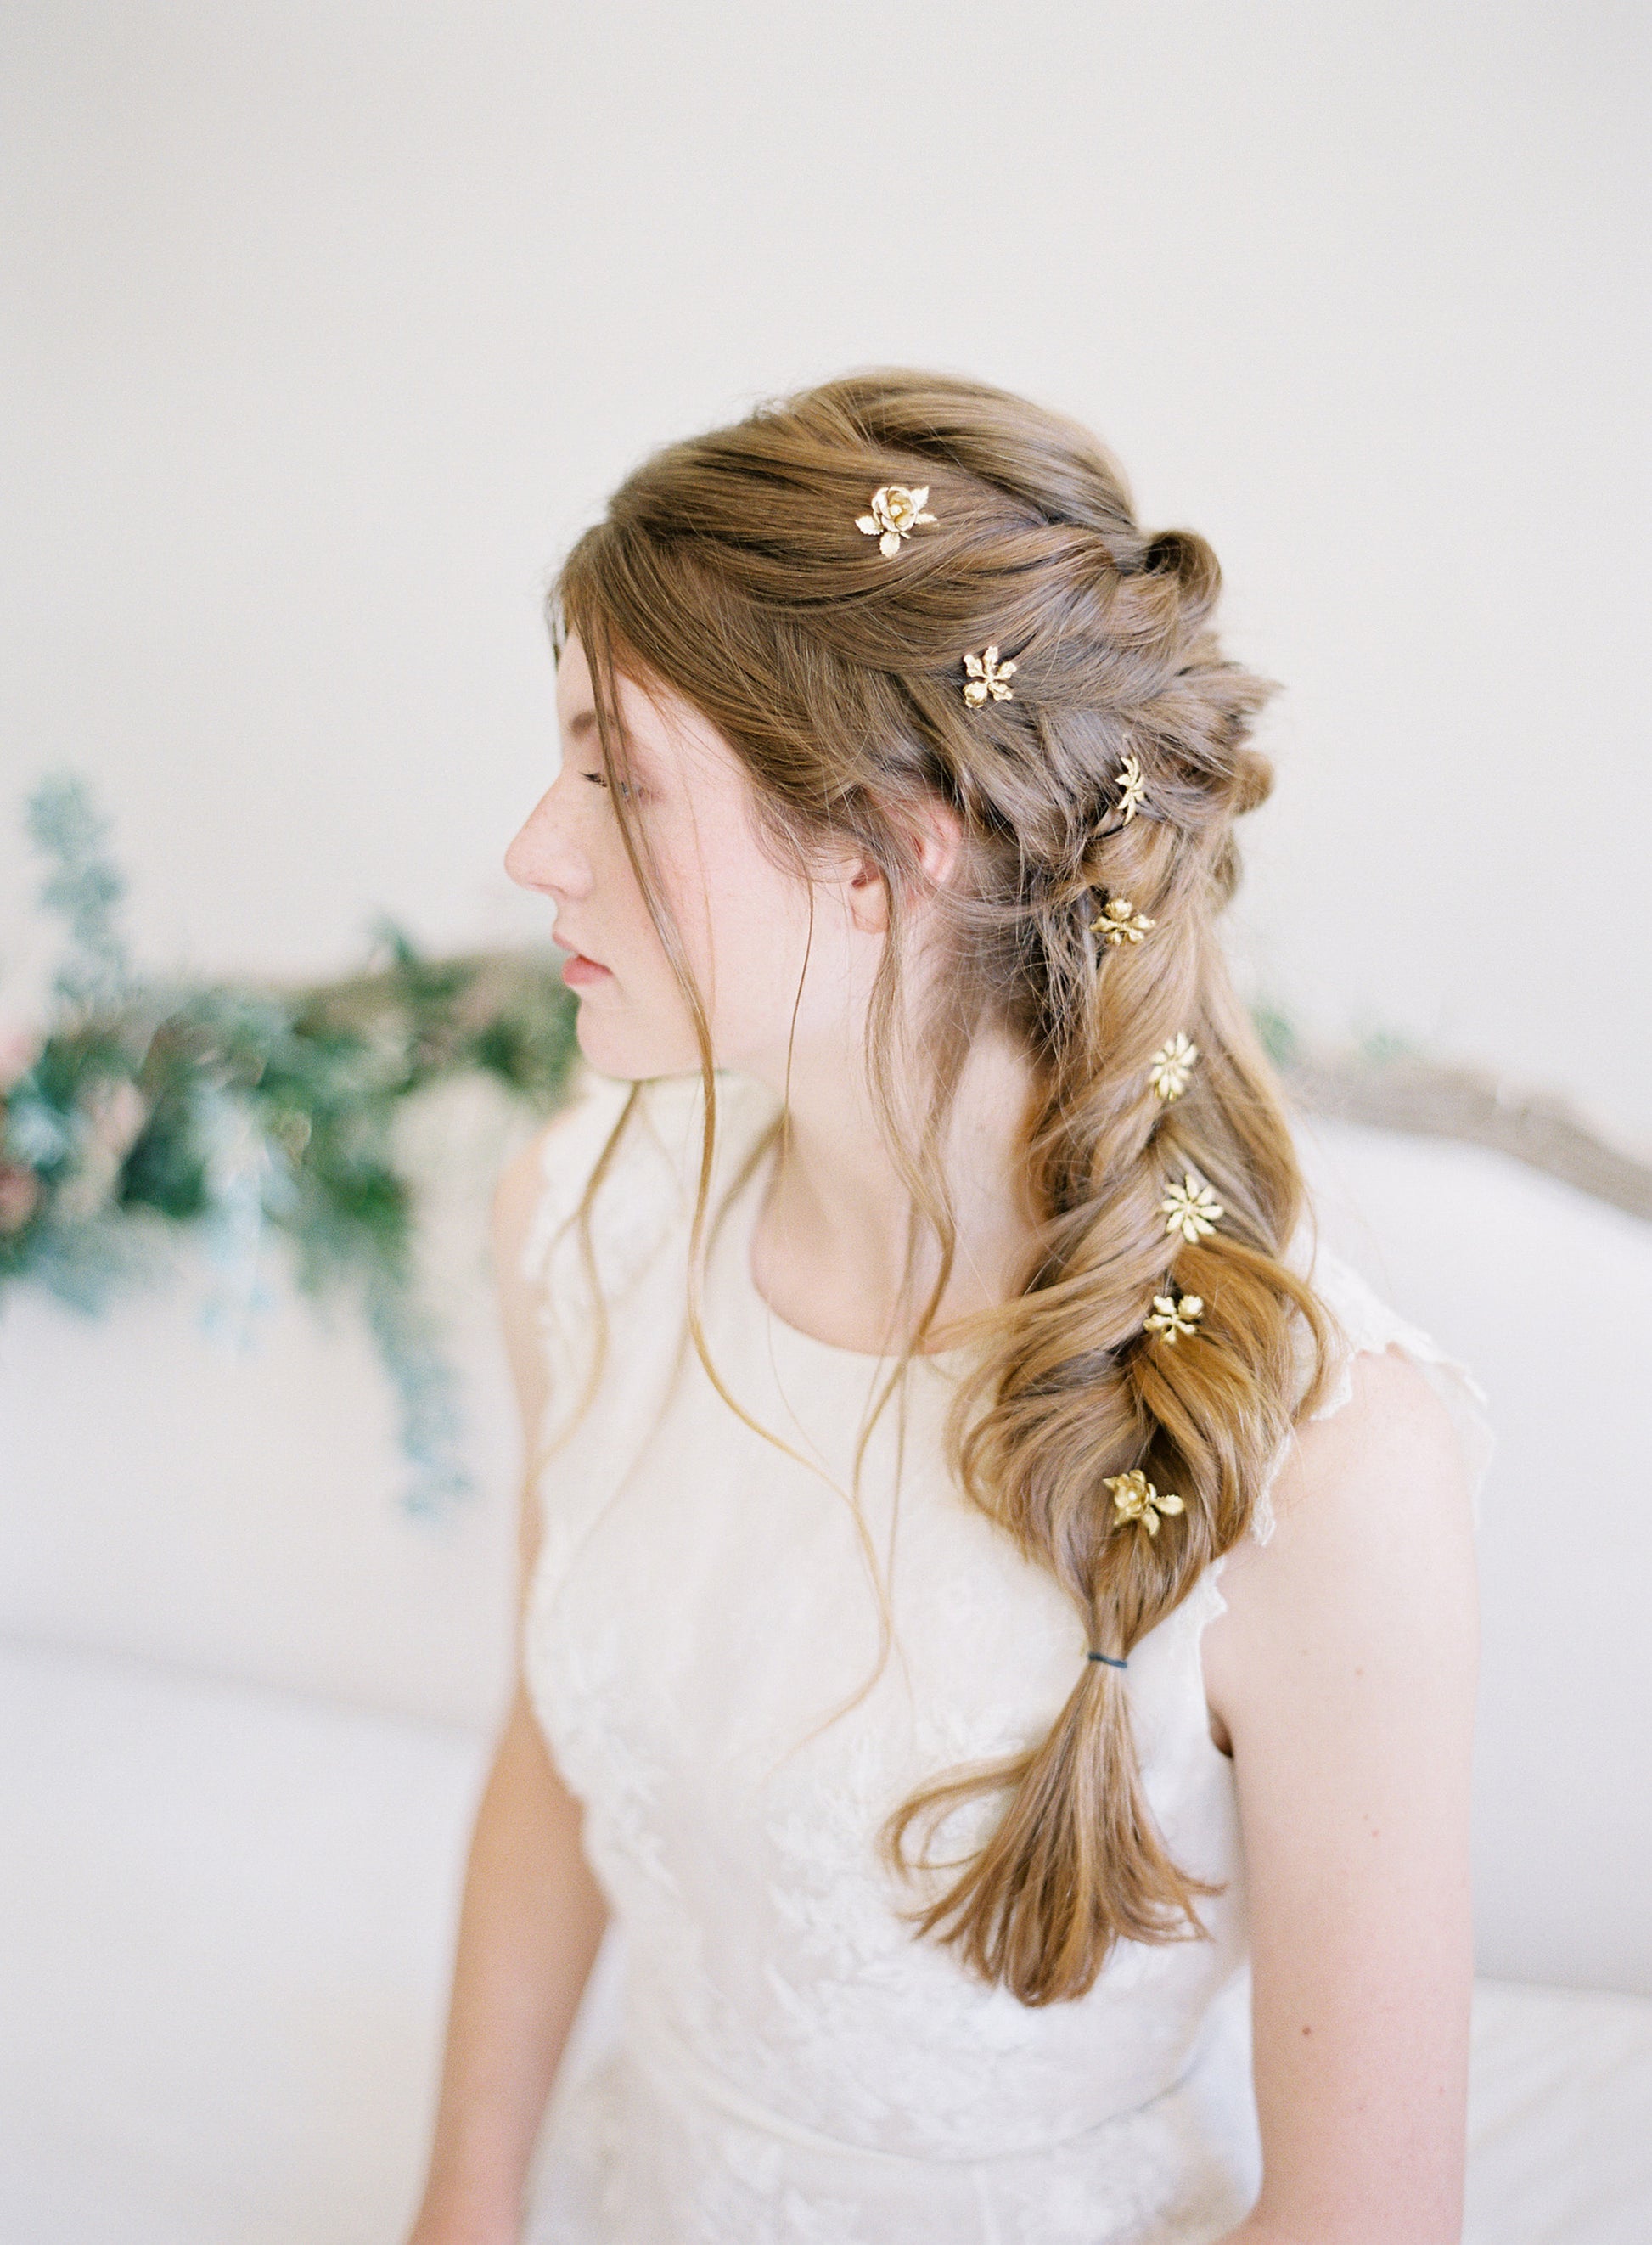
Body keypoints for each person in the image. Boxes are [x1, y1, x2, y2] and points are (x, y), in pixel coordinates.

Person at [407, 369, 1492, 2245]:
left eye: (615, 772)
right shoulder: (582, 1217)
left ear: (891, 845)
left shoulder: (1323, 1470)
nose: (533, 846)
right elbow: (553, 1739)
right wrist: (464, 2197)